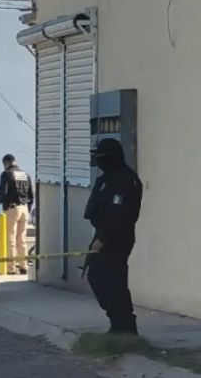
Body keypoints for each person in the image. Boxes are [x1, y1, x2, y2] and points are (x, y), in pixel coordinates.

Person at [85, 138, 142, 335]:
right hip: (101, 234)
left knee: (113, 280)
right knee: (97, 276)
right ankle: (117, 321)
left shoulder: (126, 180)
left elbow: (119, 216)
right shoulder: (106, 179)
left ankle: (124, 325)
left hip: (116, 237)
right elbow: (96, 210)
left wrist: (103, 238)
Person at [0, 154, 34, 274]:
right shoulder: (25, 174)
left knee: (10, 238)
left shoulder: (6, 174)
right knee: (21, 239)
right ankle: (23, 266)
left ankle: (10, 268)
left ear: (5, 163)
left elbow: (3, 192)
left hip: (12, 208)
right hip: (24, 209)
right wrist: (27, 207)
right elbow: (31, 195)